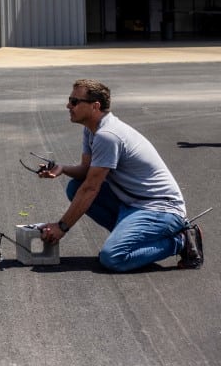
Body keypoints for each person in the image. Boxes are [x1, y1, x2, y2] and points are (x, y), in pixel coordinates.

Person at [37, 79, 203, 272]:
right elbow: (86, 170)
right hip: (133, 204)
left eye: (74, 101)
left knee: (112, 257)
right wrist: (61, 168)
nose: (68, 105)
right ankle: (129, 237)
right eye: (69, 100)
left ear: (94, 106)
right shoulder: (92, 130)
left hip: (160, 209)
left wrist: (61, 227)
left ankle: (182, 240)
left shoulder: (108, 135)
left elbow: (91, 188)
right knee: (74, 187)